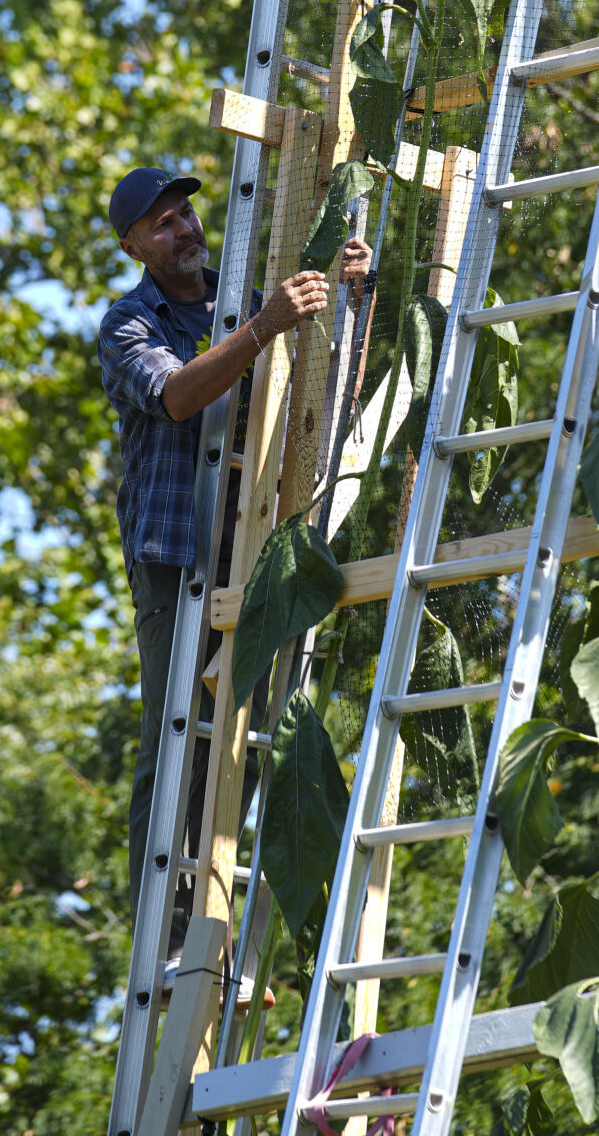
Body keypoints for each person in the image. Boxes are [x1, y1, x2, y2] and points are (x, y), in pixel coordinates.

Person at [97, 164, 368, 988]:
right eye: (163, 224)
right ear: (133, 246)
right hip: (177, 553)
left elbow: (323, 390)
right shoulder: (129, 321)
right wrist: (262, 328)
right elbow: (177, 397)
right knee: (175, 732)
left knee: (246, 728)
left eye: (185, 214)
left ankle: (214, 907)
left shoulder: (240, 294)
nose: (183, 230)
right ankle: (165, 919)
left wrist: (349, 302)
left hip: (257, 546)